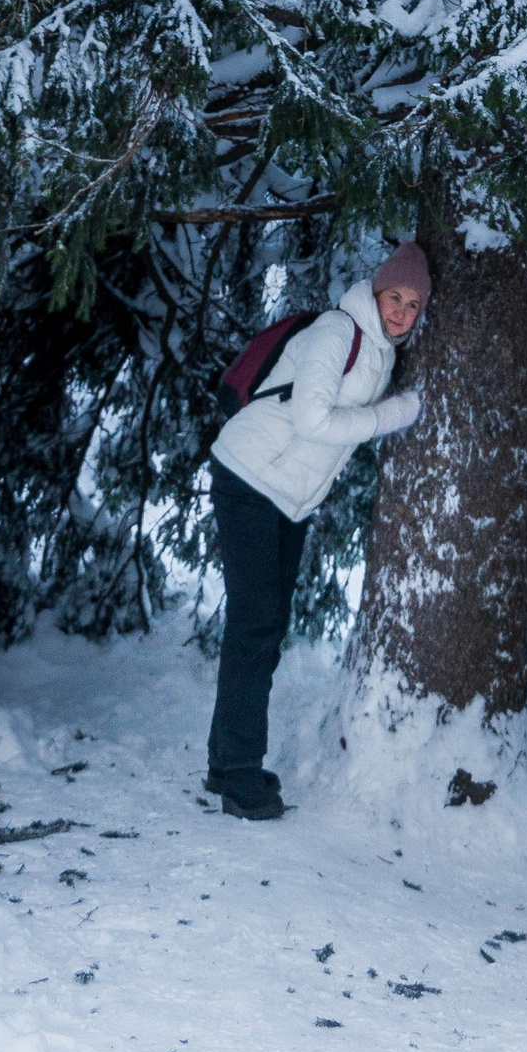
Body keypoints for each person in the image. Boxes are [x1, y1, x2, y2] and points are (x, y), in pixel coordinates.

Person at [203, 241, 431, 819]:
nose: (401, 312)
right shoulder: (338, 331)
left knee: (264, 626)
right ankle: (240, 777)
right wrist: (391, 416)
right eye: (395, 298)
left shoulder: (379, 351)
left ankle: (226, 762)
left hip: (285, 495)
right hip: (249, 476)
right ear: (376, 292)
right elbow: (312, 420)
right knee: (256, 626)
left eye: (413, 305)